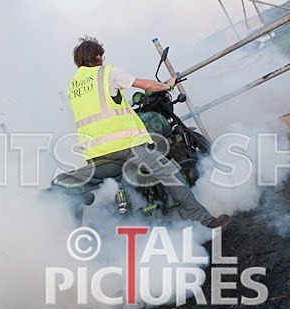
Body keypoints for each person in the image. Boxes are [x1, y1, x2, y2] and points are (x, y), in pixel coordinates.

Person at [67, 36, 230, 229]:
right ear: (97, 56)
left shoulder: (73, 86)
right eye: (102, 55)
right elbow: (145, 85)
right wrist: (168, 85)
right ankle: (205, 221)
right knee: (169, 174)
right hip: (124, 146)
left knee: (121, 183)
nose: (103, 58)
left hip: (94, 153)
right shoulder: (106, 73)